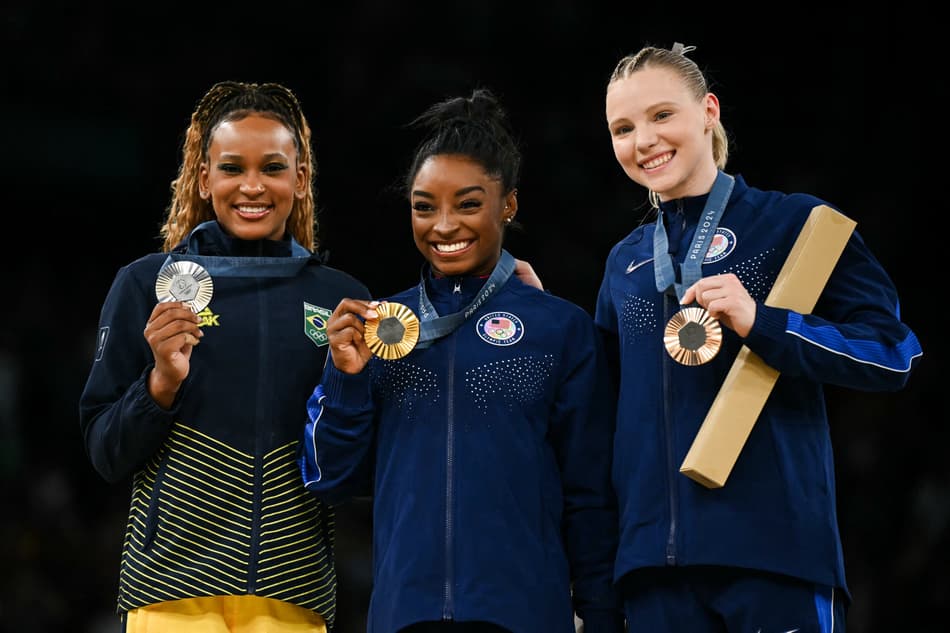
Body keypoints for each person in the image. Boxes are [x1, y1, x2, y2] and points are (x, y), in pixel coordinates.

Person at [595, 42, 923, 632]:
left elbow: (892, 353)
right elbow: (600, 413)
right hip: (652, 574)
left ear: (709, 112)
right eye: (623, 127)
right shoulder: (626, 262)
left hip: (776, 556)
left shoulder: (795, 224)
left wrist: (765, 323)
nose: (643, 140)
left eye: (661, 115)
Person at [298, 88, 624, 633]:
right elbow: (330, 479)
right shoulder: (377, 329)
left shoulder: (561, 330)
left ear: (509, 205)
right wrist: (346, 379)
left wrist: (602, 616)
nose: (444, 226)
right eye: (424, 207)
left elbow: (590, 496)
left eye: (468, 204)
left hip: (523, 615)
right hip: (406, 615)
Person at [78, 80, 372, 632]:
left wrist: (350, 385)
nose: (252, 186)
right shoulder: (148, 284)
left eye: (273, 168)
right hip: (172, 591)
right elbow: (104, 452)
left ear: (301, 180)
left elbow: (356, 470)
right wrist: (161, 382)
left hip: (295, 590)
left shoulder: (341, 300)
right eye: (233, 168)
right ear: (205, 177)